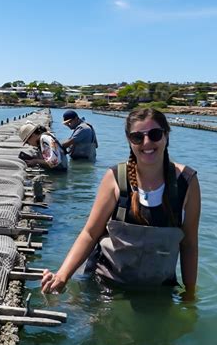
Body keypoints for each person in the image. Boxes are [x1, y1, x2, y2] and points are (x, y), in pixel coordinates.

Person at [42, 107, 200, 295]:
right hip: (106, 286)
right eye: (137, 137)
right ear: (129, 140)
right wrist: (62, 276)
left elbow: (189, 244)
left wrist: (190, 296)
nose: (147, 142)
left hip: (159, 289)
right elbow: (90, 233)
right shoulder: (115, 178)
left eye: (155, 134)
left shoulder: (187, 181)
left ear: (166, 136)